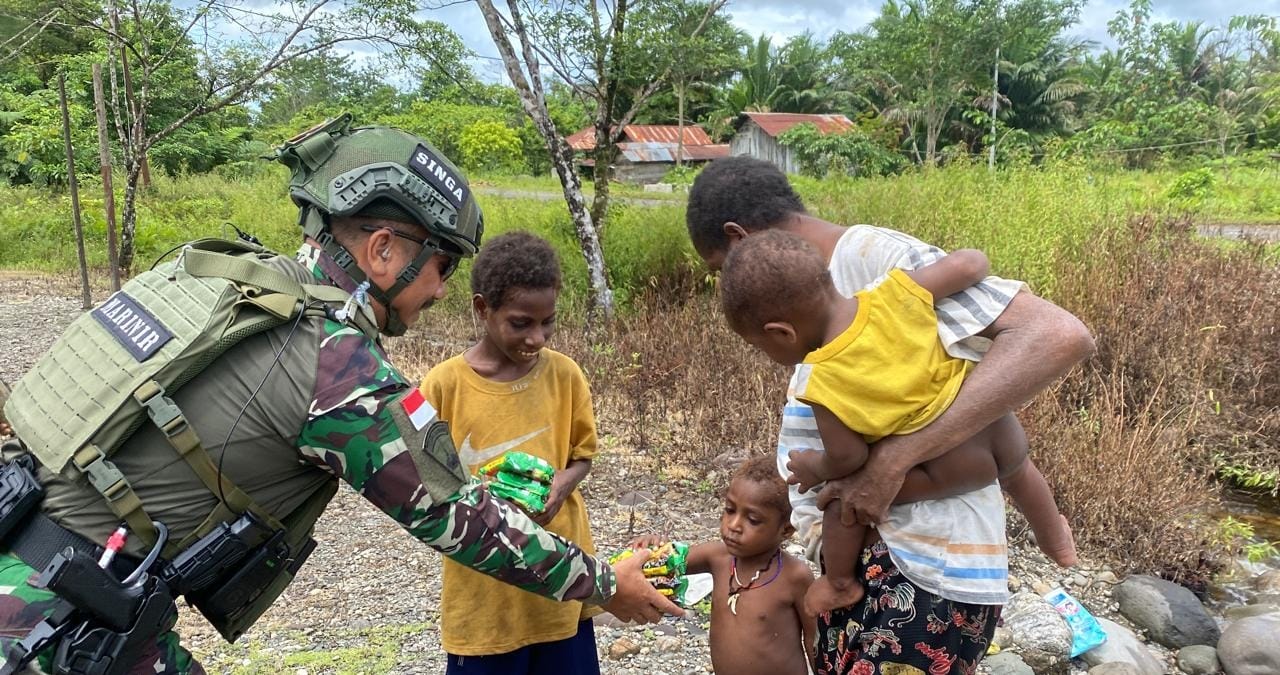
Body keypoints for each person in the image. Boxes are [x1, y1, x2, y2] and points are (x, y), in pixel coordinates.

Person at [0, 116, 678, 675]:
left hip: (39, 560)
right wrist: (608, 583)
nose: (441, 289)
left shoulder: (222, 277)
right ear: (383, 250)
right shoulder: (334, 361)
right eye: (442, 264)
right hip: (52, 622)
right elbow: (462, 517)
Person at [686, 156, 1094, 674]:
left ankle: (1053, 533)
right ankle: (1052, 532)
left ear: (739, 238)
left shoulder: (875, 260)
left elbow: (1058, 335)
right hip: (877, 566)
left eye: (720, 269)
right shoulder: (855, 291)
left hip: (918, 571)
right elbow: (969, 264)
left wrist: (891, 462)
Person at [718, 230, 1076, 617]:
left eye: (759, 346)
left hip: (950, 465)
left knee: (839, 499)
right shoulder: (894, 292)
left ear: (781, 333)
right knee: (1019, 472)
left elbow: (848, 457)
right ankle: (1055, 538)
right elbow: (970, 263)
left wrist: (814, 467)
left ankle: (838, 584)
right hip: (996, 431)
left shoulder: (823, 381)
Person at [419, 231, 603, 675]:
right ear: (483, 308)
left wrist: (561, 487)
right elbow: (426, 482)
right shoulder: (444, 386)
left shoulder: (565, 376)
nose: (537, 337)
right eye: (521, 323)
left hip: (559, 580)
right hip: (485, 592)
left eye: (547, 322)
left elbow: (582, 456)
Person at [630, 454, 815, 675]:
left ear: (786, 529)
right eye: (729, 510)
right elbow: (667, 562)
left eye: (753, 520)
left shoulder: (795, 576)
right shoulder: (717, 557)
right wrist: (653, 548)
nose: (734, 525)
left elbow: (814, 640)